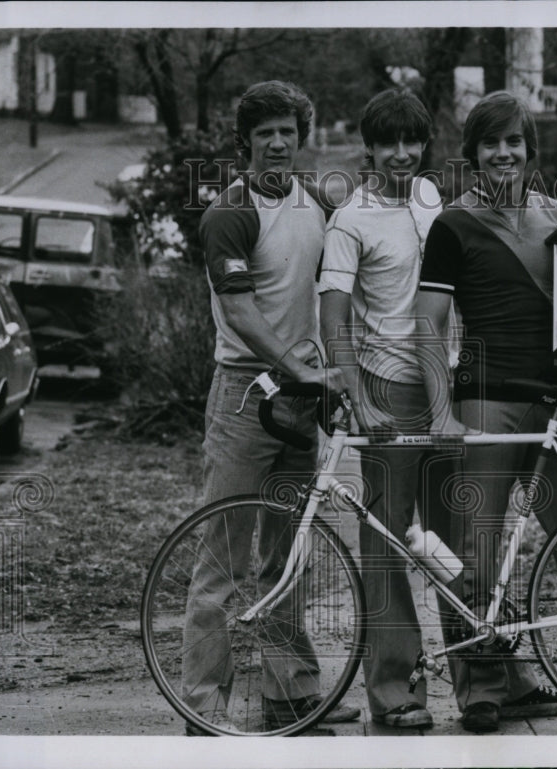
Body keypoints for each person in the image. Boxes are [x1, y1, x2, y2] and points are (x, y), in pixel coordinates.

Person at [416, 91, 557, 734]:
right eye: (490, 143)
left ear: (530, 150)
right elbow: (428, 325)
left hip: (553, 406)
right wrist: (438, 412)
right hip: (483, 398)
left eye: (514, 142)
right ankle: (483, 690)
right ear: (474, 153)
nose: (503, 153)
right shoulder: (452, 224)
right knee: (473, 551)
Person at [181, 80, 360, 734]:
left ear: (300, 136)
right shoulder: (229, 213)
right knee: (223, 556)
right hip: (244, 395)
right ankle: (201, 707)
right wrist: (302, 370)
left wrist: (323, 378)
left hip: (299, 396)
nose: (278, 143)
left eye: (288, 131)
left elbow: (331, 292)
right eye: (265, 134)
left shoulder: (315, 202)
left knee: (290, 554)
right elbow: (240, 311)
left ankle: (293, 693)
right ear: (245, 144)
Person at [318, 88, 445, 730]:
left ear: (425, 144)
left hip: (444, 388)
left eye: (412, 141)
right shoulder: (352, 219)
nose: (401, 153)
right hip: (388, 391)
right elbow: (333, 316)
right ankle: (397, 693)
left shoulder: (432, 200)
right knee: (388, 543)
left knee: (454, 539)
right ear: (369, 147)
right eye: (388, 142)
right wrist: (358, 397)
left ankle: (488, 680)